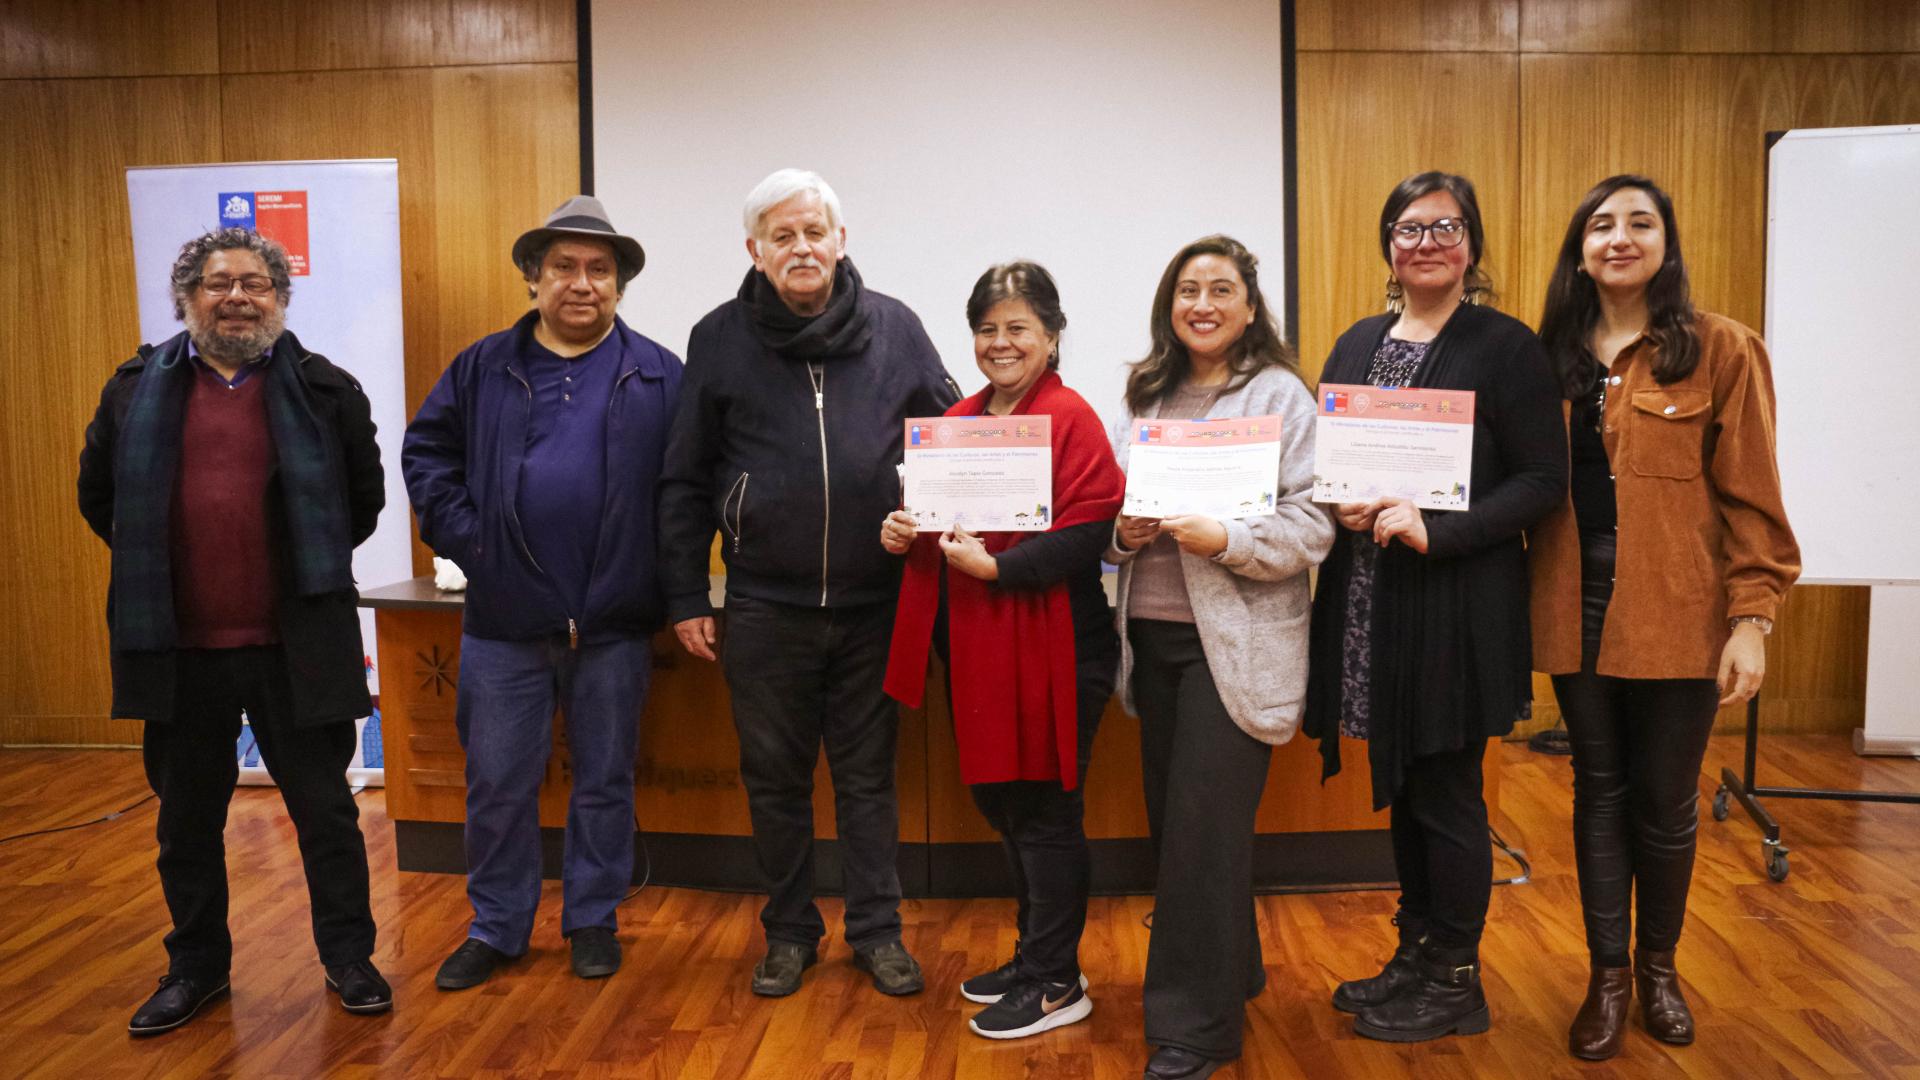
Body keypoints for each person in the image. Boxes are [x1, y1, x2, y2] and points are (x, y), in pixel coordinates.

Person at [77, 227, 390, 1034]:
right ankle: (196, 968)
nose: (238, 297)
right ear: (187, 298)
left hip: (296, 648)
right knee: (185, 823)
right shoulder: (132, 390)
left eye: (256, 283)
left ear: (281, 299)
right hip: (177, 651)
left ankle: (348, 958)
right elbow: (100, 500)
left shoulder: (328, 391)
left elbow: (361, 506)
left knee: (326, 814)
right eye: (218, 284)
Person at [657, 168, 957, 997]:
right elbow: (683, 477)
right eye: (782, 236)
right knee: (775, 780)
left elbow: (951, 439)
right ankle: (789, 932)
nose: (801, 248)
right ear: (755, 251)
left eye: (814, 232)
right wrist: (687, 594)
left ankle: (877, 932)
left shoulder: (896, 328)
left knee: (868, 780)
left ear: (841, 240)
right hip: (762, 608)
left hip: (875, 605)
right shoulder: (717, 337)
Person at [1533, 175, 1799, 1060]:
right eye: (1601, 225)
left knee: (1667, 799)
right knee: (1597, 790)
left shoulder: (1722, 349)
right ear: (1580, 248)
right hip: (1575, 606)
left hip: (1681, 611)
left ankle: (1659, 971)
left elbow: (1754, 500)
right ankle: (1607, 978)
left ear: (1665, 243)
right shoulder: (1549, 358)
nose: (1620, 238)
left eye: (1640, 223)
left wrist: (1752, 619)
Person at [1302, 172, 1568, 1043]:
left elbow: (1542, 480)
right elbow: (1333, 460)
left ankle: (1457, 977)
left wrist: (1441, 527)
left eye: (1446, 227)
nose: (1427, 242)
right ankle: (1415, 955)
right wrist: (1336, 501)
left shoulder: (1506, 346)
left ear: (1473, 245)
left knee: (1447, 792)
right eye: (1410, 229)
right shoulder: (1355, 343)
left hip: (1454, 604)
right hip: (1372, 606)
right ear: (1388, 246)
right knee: (1408, 791)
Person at [402, 196, 682, 989]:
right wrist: (473, 539)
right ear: (534, 277)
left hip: (615, 622)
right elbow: (427, 455)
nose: (582, 283)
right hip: (504, 619)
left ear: (620, 284)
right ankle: (497, 926)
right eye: (564, 267)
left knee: (603, 781)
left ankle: (592, 919)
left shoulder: (661, 373)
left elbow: (685, 488)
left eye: (599, 270)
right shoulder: (480, 366)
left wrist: (660, 572)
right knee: (497, 782)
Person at [1106, 237, 1333, 1079]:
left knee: (1200, 832)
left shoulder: (1280, 395)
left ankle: (1193, 1032)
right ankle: (1230, 971)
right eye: (1188, 289)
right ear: (1171, 305)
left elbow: (1315, 524)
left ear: (1249, 306)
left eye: (1221, 289)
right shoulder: (1148, 393)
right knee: (1183, 827)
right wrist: (1119, 534)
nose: (1203, 303)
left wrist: (1229, 538)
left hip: (1232, 647)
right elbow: (1114, 507)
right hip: (1154, 641)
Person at [882, 261, 1124, 1039]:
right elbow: (938, 521)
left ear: (1052, 336)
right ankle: (1037, 956)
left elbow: (1092, 527)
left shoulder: (1073, 415)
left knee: (1047, 809)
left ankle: (1058, 981)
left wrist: (1002, 567)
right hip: (981, 646)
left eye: (1018, 326)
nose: (1001, 342)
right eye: (987, 328)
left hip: (1058, 643)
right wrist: (903, 530)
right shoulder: (960, 420)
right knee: (1006, 803)